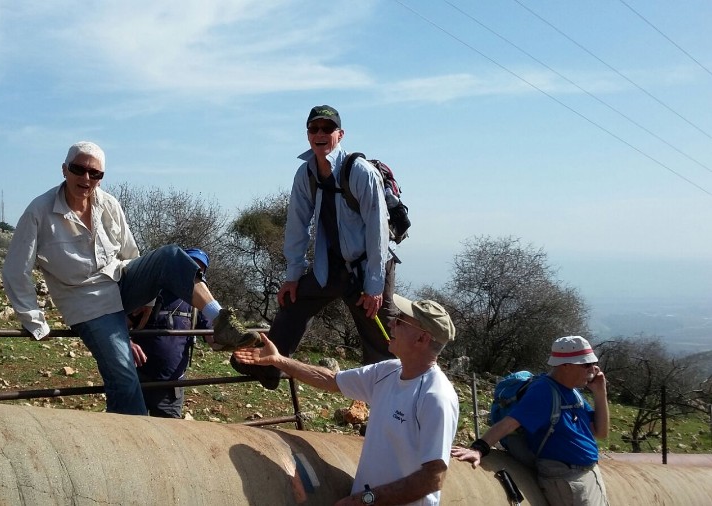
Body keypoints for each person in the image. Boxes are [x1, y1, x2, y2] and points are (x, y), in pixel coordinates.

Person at [2, 141, 260, 415]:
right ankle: (135, 446)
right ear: (64, 170)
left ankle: (220, 319)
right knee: (124, 379)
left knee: (170, 256)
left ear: (101, 177)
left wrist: (145, 303)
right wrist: (35, 321)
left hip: (120, 285)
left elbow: (131, 254)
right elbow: (16, 270)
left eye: (95, 173)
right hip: (87, 304)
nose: (86, 178)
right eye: (79, 169)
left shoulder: (109, 204)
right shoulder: (39, 212)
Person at [234, 295, 459, 506]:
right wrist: (279, 360)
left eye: (400, 321)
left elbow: (433, 479)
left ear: (422, 338)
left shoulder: (436, 397)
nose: (391, 324)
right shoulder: (388, 372)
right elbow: (331, 379)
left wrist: (365, 500)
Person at [232, 105, 397, 390]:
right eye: (314, 128)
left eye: (327, 129)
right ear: (308, 134)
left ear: (340, 134)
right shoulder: (306, 173)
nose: (320, 134)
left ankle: (395, 399)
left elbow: (377, 231)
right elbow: (297, 226)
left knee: (381, 337)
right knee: (293, 303)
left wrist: (374, 286)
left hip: (368, 265)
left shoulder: (360, 172)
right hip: (332, 265)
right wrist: (292, 277)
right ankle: (270, 369)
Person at [451, 336, 610, 506]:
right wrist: (479, 448)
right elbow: (509, 423)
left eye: (593, 364)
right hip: (569, 480)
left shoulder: (572, 392)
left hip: (587, 475)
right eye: (586, 365)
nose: (593, 370)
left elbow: (600, 432)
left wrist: (600, 392)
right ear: (565, 365)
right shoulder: (544, 391)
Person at [131, 247, 211, 418]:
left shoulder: (198, 307)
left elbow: (212, 336)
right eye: (189, 267)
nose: (193, 277)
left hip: (171, 388)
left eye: (199, 271)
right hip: (138, 380)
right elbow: (123, 321)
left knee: (168, 439)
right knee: (133, 435)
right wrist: (127, 342)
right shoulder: (149, 293)